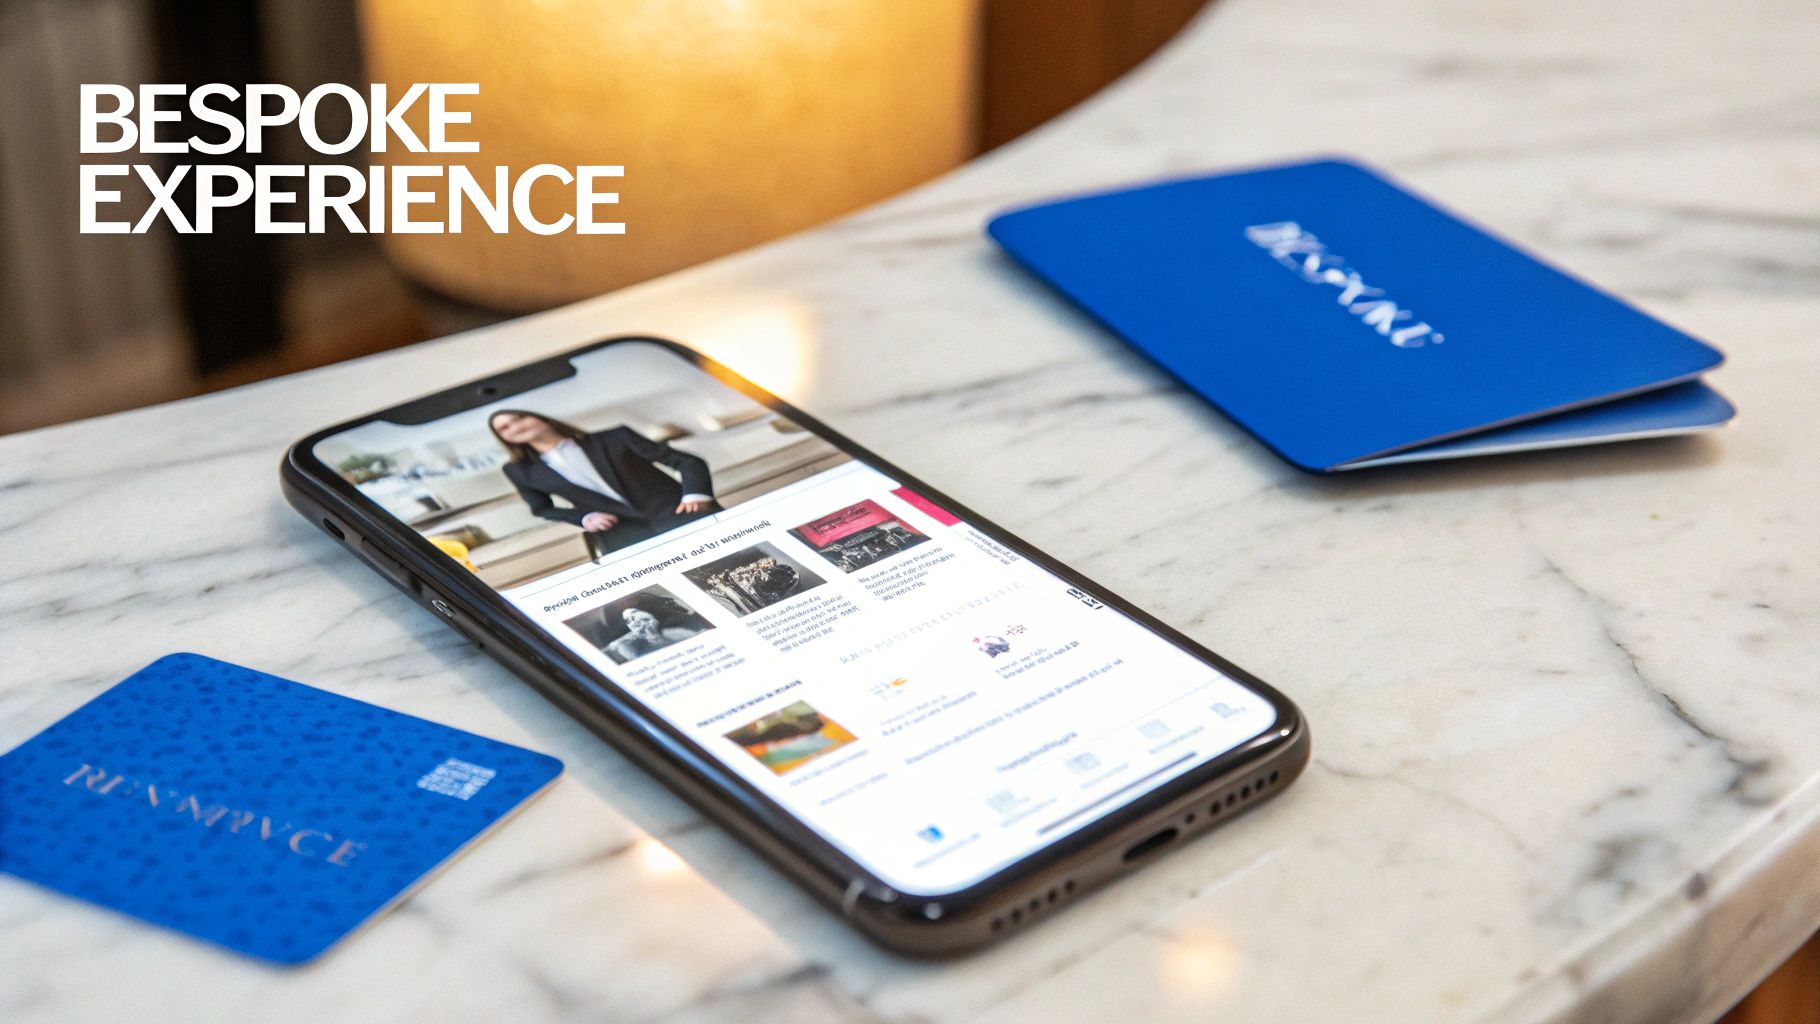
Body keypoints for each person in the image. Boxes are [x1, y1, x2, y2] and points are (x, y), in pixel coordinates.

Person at [489, 410, 719, 556]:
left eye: (519, 418)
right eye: (505, 428)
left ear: (541, 417)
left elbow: (687, 462)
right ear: (503, 438)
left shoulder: (616, 437)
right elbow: (542, 509)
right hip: (624, 537)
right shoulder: (518, 471)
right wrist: (584, 518)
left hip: (681, 515)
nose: (516, 427)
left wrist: (696, 494)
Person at [604, 607, 699, 663]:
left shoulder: (674, 633)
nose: (635, 619)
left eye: (635, 613)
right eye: (629, 620)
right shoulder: (628, 647)